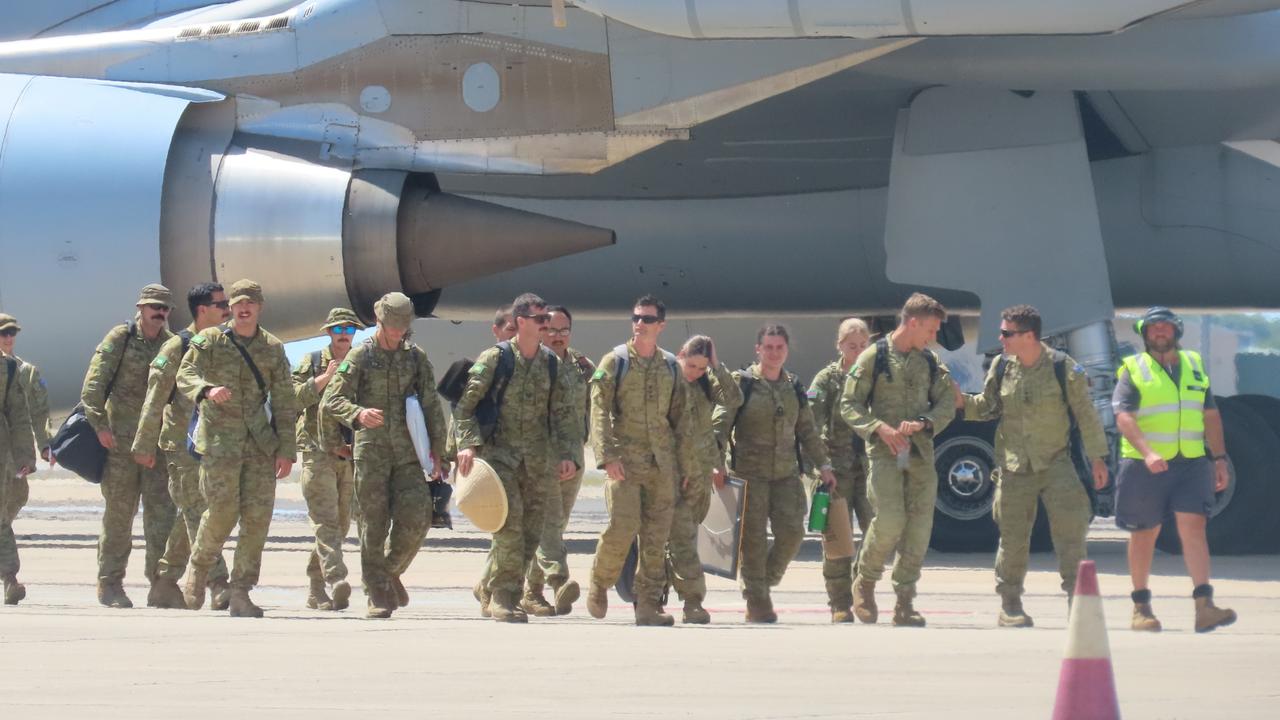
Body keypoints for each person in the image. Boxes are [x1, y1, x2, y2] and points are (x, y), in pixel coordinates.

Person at [956, 305, 1109, 627]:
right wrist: (962, 402)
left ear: (1028, 336)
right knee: (1013, 540)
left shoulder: (1062, 368)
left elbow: (1086, 414)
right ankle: (1010, 604)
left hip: (1056, 463)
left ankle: (1077, 604)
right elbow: (987, 408)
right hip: (1015, 469)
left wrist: (1098, 458)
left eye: (1007, 333)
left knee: (1071, 536)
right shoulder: (1001, 367)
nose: (1001, 338)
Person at [176, 279, 298, 617]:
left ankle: (241, 591)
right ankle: (200, 567)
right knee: (222, 513)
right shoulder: (210, 340)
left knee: (257, 520)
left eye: (251, 303)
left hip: (260, 445)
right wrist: (205, 389)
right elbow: (185, 374)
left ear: (260, 308)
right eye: (238, 303)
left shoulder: (273, 348)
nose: (244, 308)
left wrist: (287, 449)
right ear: (230, 308)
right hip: (219, 444)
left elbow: (286, 402)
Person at [1112, 306, 1236, 633]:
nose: (1160, 332)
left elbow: (1210, 414)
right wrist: (1148, 452)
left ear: (1176, 331)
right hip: (1144, 465)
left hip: (1192, 462)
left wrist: (1219, 458)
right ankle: (1141, 607)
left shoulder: (1195, 365)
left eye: (1166, 327)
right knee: (1144, 533)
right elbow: (1124, 417)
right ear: (1144, 334)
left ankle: (1204, 606)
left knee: (1194, 528)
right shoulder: (1134, 369)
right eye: (1153, 328)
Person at [324, 292, 448, 618]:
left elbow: (432, 406)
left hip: (409, 453)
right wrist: (358, 414)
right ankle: (376, 593)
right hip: (372, 453)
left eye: (402, 326)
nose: (397, 332)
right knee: (373, 526)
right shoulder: (361, 357)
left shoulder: (415, 358)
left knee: (418, 517)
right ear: (379, 321)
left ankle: (388, 572)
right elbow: (332, 401)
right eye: (392, 326)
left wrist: (440, 452)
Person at [455, 293, 575, 623]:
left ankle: (493, 588)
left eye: (546, 320)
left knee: (532, 532)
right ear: (520, 322)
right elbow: (465, 407)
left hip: (538, 462)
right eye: (540, 320)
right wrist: (466, 445)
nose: (546, 326)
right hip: (500, 459)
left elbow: (564, 414)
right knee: (510, 527)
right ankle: (504, 597)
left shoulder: (551, 363)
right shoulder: (495, 359)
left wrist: (568, 455)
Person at [840, 292, 956, 627]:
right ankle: (865, 581)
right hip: (886, 453)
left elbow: (947, 403)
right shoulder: (874, 357)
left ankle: (905, 602)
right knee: (891, 520)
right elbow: (850, 404)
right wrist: (878, 428)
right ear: (913, 322)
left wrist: (924, 422)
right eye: (930, 330)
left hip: (919, 455)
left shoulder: (930, 362)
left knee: (919, 529)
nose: (933, 337)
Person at [586, 295, 696, 626]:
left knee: (655, 538)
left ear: (660, 326)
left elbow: (682, 420)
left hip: (661, 466)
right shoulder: (614, 361)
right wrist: (606, 456)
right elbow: (599, 409)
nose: (640, 324)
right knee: (622, 527)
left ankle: (648, 604)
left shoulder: (670, 367)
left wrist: (686, 468)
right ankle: (600, 582)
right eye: (636, 317)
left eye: (647, 319)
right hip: (625, 463)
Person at [713, 325, 834, 623]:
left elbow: (807, 429)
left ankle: (760, 585)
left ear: (787, 351)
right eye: (768, 347)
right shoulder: (743, 384)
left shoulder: (793, 386)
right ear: (758, 349)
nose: (774, 353)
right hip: (749, 475)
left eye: (779, 347)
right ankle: (757, 602)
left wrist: (825, 465)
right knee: (752, 542)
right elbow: (719, 428)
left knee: (793, 532)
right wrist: (716, 465)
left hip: (786, 475)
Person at [131, 283, 232, 610]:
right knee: (198, 512)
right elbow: (155, 398)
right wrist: (144, 444)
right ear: (203, 310)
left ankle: (164, 580)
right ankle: (218, 582)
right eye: (221, 305)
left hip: (212, 445)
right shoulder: (177, 347)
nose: (227, 310)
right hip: (179, 446)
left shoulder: (223, 345)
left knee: (190, 515)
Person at [80, 284, 178, 609]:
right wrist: (100, 427)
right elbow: (93, 387)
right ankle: (110, 584)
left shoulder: (171, 345)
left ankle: (160, 586)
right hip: (119, 446)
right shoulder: (120, 339)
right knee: (120, 517)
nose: (159, 313)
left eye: (164, 309)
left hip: (155, 448)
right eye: (154, 307)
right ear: (140, 307)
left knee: (161, 518)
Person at [292, 308, 364, 611]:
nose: (344, 335)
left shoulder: (361, 363)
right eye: (338, 330)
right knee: (325, 523)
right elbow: (292, 398)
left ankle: (315, 586)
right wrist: (325, 378)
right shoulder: (312, 361)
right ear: (328, 333)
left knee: (342, 524)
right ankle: (336, 579)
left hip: (348, 454)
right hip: (317, 451)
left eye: (349, 330)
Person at [667, 334, 741, 624]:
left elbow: (734, 399)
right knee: (682, 539)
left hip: (701, 475)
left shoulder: (705, 385)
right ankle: (692, 601)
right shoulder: (667, 382)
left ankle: (660, 597)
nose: (695, 372)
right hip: (674, 475)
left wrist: (716, 366)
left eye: (701, 367)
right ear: (680, 355)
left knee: (683, 539)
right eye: (692, 365)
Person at [526, 304, 594, 615]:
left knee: (556, 524)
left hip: (574, 458)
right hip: (542, 456)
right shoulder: (533, 364)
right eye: (551, 330)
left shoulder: (581, 365)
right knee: (548, 523)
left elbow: (597, 406)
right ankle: (558, 581)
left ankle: (520, 588)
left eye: (563, 330)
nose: (557, 336)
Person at [807, 317, 874, 622]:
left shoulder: (874, 377)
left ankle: (863, 589)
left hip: (869, 469)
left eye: (863, 345)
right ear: (840, 346)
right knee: (837, 540)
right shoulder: (827, 379)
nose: (858, 351)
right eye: (852, 345)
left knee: (876, 532)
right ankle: (839, 603)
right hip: (836, 471)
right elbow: (811, 424)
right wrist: (822, 465)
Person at [0, 314, 36, 605]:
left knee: (1, 514)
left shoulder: (9, 369)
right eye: (3, 333)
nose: (8, 338)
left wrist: (25, 455)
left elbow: (19, 415)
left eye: (12, 332)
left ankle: (10, 579)